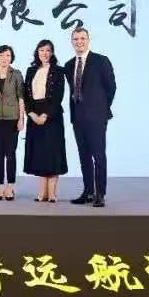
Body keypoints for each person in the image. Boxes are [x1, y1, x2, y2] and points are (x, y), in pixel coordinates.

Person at [62, 27, 116, 207]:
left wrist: (100, 108)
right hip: (78, 118)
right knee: (84, 156)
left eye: (82, 38)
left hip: (97, 118)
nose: (79, 42)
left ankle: (100, 194)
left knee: (98, 156)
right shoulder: (69, 65)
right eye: (76, 39)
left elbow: (111, 87)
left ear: (88, 40)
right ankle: (88, 191)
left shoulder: (101, 61)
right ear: (72, 42)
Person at [23, 39, 68, 202]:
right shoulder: (30, 70)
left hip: (52, 116)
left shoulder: (58, 71)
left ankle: (52, 193)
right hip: (34, 115)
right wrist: (31, 113)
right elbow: (25, 95)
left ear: (52, 53)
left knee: (52, 153)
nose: (45, 53)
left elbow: (58, 96)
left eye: (48, 50)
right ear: (37, 52)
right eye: (42, 50)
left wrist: (45, 115)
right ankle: (42, 193)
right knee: (40, 154)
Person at [0, 45, 25, 201]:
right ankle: (0, 186)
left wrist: (21, 119)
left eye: (8, 55)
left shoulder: (16, 74)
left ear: (11, 58)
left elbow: (21, 98)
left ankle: (10, 186)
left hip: (12, 119)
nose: (4, 58)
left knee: (10, 154)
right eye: (1, 55)